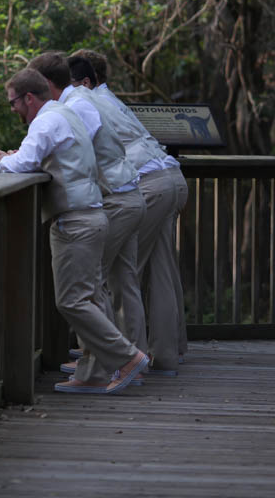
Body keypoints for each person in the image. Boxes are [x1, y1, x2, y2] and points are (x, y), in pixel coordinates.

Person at [0, 68, 148, 394]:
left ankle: (127, 357)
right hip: (92, 215)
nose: (13, 108)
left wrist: (2, 162)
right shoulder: (66, 114)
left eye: (13, 102)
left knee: (72, 301)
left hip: (75, 221)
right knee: (88, 296)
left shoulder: (45, 122)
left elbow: (24, 163)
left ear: (28, 98)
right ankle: (94, 373)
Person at [26, 52, 148, 372]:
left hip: (112, 199)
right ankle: (117, 361)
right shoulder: (78, 101)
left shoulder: (75, 105)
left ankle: (111, 363)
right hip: (124, 193)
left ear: (48, 85)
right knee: (113, 283)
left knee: (88, 289)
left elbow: (76, 150)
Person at [70, 50, 189, 373]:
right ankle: (166, 354)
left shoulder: (84, 102)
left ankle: (120, 358)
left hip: (146, 183)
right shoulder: (111, 99)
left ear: (83, 80)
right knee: (160, 271)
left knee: (120, 276)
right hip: (171, 176)